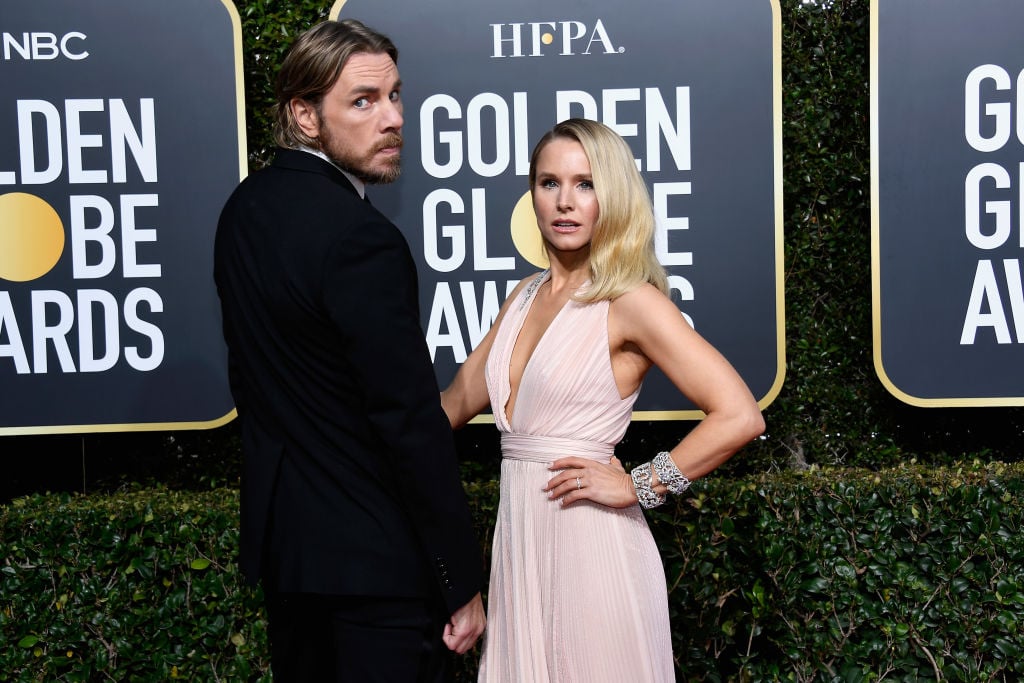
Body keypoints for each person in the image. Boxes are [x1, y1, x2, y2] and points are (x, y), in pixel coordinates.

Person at [441, 118, 765, 682]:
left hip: (594, 549)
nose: (565, 202)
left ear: (610, 197)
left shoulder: (630, 301)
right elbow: (446, 410)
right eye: (549, 183)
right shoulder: (521, 296)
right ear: (532, 195)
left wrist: (639, 483)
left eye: (585, 184)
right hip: (521, 552)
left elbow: (740, 414)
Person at [214, 19, 485, 682]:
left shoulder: (244, 210)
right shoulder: (362, 238)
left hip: (292, 563)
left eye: (395, 96)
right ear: (304, 116)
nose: (391, 118)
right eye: (363, 101)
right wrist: (459, 577)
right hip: (377, 569)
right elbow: (407, 420)